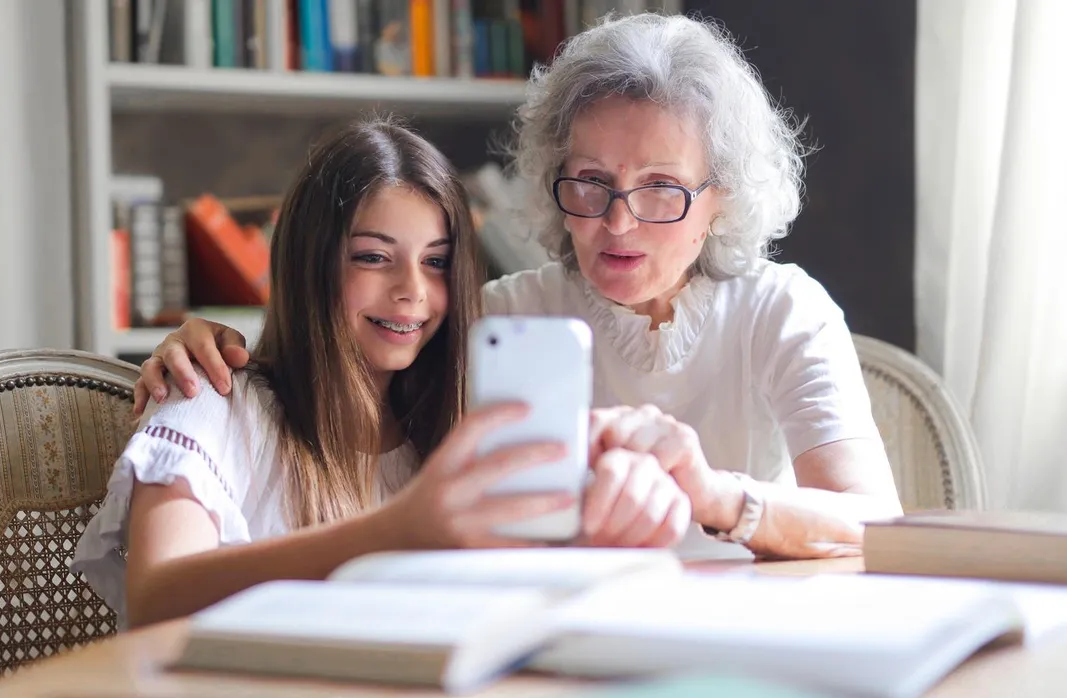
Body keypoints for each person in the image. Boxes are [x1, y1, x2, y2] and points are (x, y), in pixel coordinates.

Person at [130, 14, 904, 561]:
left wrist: (713, 495)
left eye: (661, 189)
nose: (618, 223)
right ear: (550, 176)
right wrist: (208, 346)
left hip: (749, 640)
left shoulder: (781, 308)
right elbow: (341, 378)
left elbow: (874, 523)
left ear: (721, 197)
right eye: (590, 182)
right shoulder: (497, 319)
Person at [72, 119, 690, 630]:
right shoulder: (212, 399)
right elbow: (155, 599)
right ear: (311, 263)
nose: (412, 293)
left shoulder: (452, 431)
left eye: (437, 263)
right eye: (373, 258)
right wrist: (395, 531)